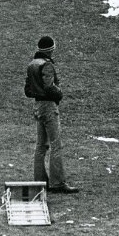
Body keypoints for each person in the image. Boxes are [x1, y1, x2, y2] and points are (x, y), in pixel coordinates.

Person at [24, 36, 78, 193]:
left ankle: (40, 181)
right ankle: (57, 182)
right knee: (56, 144)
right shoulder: (46, 65)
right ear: (51, 49)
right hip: (48, 106)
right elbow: (49, 87)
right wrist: (59, 93)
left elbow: (27, 90)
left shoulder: (32, 64)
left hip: (37, 106)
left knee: (41, 145)